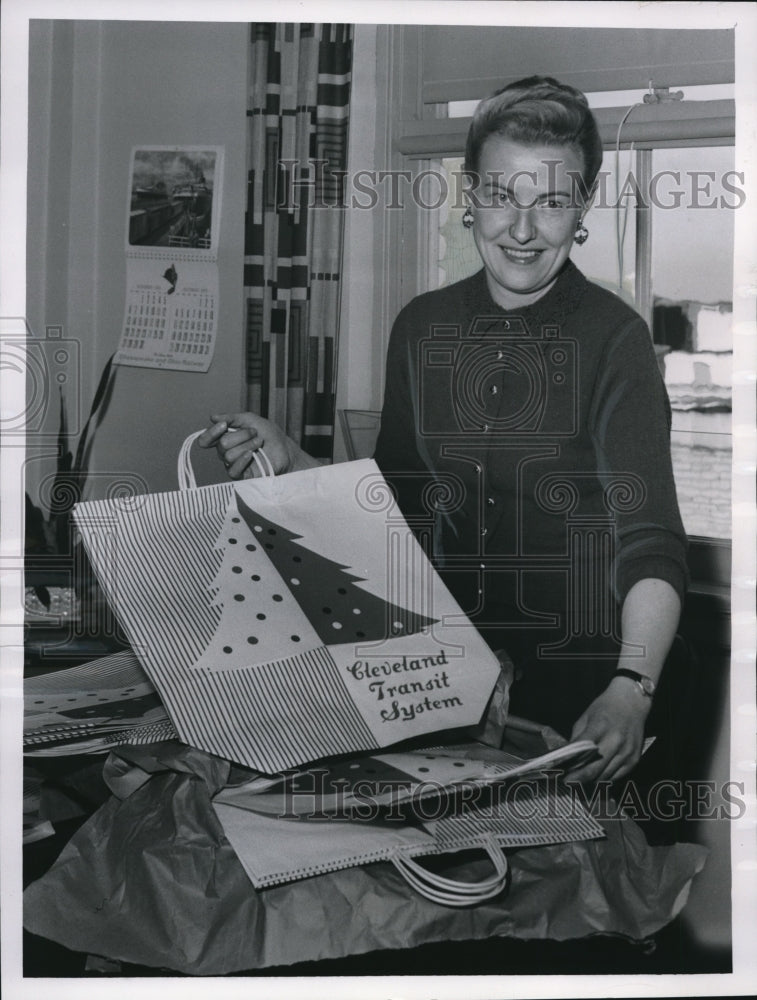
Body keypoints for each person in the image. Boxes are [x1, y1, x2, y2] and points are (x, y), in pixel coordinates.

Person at [198, 76, 688, 785]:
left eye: (550, 202)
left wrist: (630, 689)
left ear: (581, 207)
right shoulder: (421, 326)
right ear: (470, 195)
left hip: (586, 683)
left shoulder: (616, 342)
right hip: (449, 677)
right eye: (501, 196)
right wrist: (293, 459)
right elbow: (396, 504)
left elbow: (650, 545)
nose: (521, 231)